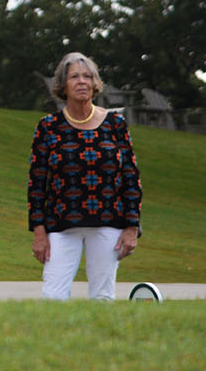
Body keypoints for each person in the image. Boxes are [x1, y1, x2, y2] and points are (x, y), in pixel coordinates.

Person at [28, 52, 142, 301]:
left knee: (103, 297)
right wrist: (38, 231)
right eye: (75, 77)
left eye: (87, 76)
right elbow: (36, 184)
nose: (82, 81)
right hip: (61, 225)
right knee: (52, 297)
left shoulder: (115, 124)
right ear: (62, 86)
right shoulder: (48, 127)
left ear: (95, 83)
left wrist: (132, 226)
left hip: (108, 222)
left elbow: (131, 177)